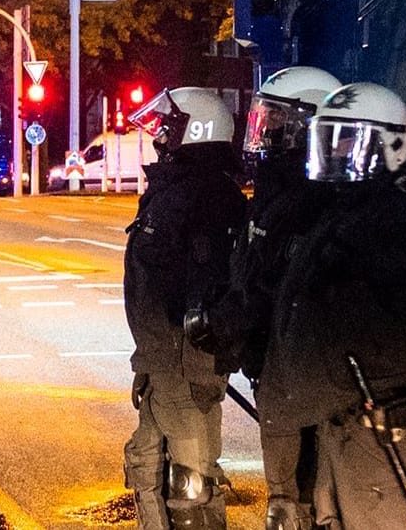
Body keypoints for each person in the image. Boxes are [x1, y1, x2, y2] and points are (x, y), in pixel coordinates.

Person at [256, 82, 406, 529]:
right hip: (341, 421)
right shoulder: (345, 213)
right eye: (330, 139)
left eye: (348, 139)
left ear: (390, 143)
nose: (337, 151)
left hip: (384, 428)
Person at [186, 66, 339, 530]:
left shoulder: (314, 198)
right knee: (289, 497)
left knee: (305, 499)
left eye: (277, 120)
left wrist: (225, 318)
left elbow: (280, 286)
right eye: (264, 117)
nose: (265, 129)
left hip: (305, 369)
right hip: (274, 364)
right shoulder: (277, 191)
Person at [121, 87, 250, 530]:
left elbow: (212, 292)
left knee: (190, 484)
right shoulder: (178, 191)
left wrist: (197, 367)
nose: (159, 136)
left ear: (196, 130)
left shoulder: (207, 197)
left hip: (186, 365)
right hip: (165, 363)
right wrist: (149, 361)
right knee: (148, 466)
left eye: (168, 127)